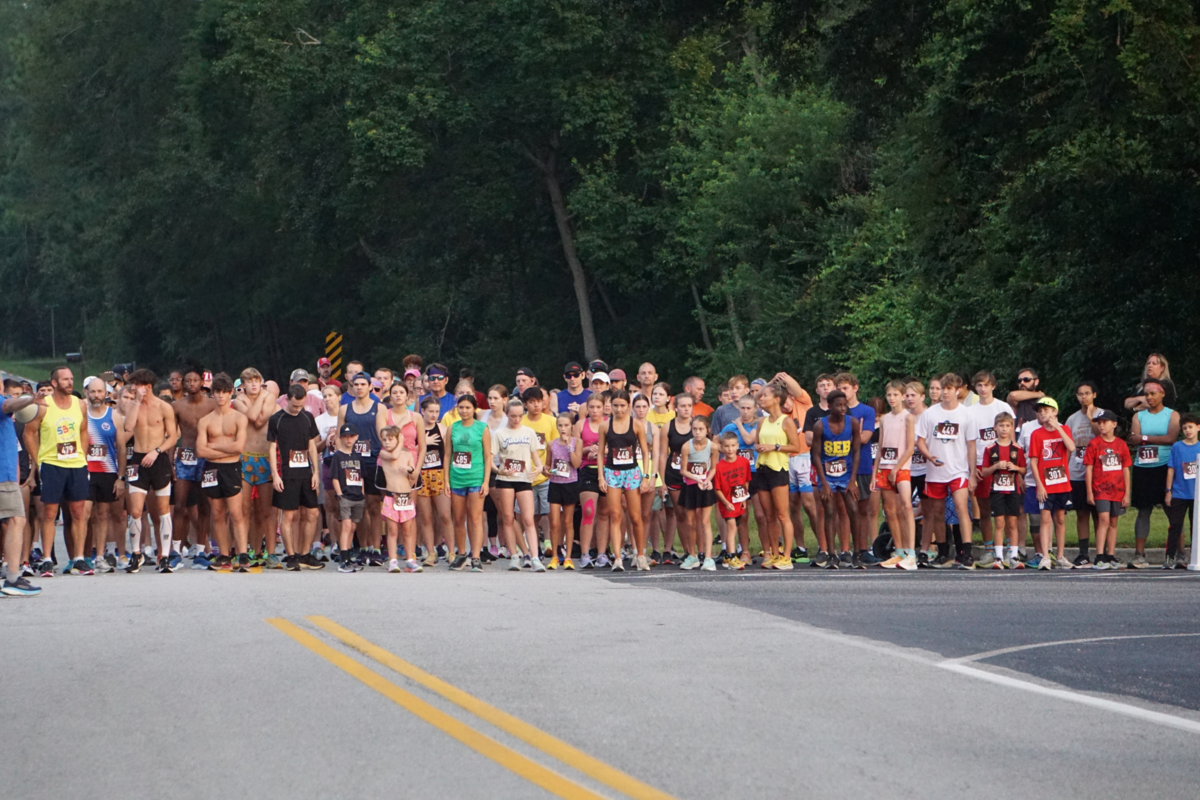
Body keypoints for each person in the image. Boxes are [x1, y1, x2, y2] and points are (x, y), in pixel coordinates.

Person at [914, 373, 976, 569]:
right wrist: (929, 456)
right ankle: (942, 551)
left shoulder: (966, 414)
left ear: (957, 390)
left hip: (958, 470)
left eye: (949, 389)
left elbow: (972, 445)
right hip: (935, 471)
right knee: (937, 511)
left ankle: (966, 552)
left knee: (961, 506)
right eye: (943, 389)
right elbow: (920, 440)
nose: (945, 393)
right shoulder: (930, 414)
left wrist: (972, 473)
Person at [121, 368, 179, 573]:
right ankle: (136, 553)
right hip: (137, 458)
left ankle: (164, 555)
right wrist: (136, 402)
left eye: (137, 385)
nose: (133, 388)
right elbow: (128, 427)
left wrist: (157, 451)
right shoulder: (132, 405)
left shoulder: (164, 407)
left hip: (158, 457)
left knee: (163, 510)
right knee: (135, 510)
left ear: (147, 386)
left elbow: (172, 436)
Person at [196, 373, 250, 570]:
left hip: (231, 467)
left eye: (224, 392)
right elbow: (200, 450)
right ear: (213, 394)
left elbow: (238, 447)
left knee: (236, 512)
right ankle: (224, 554)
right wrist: (221, 449)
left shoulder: (239, 418)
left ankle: (242, 553)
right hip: (212, 469)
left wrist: (215, 448)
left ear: (230, 394)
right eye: (217, 392)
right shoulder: (205, 421)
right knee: (217, 513)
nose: (221, 396)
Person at [268, 384, 323, 571]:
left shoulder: (307, 417)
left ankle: (305, 554)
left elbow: (312, 445)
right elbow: (271, 447)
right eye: (294, 406)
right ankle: (291, 555)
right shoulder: (277, 419)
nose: (298, 409)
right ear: (287, 399)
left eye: (301, 406)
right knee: (289, 515)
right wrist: (275, 475)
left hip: (305, 472)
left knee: (313, 512)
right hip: (286, 472)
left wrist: (316, 472)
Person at [597, 388, 651, 571]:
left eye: (622, 406)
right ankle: (618, 557)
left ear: (629, 406)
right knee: (615, 515)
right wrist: (600, 476)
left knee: (636, 516)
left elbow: (645, 451)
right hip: (612, 472)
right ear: (610, 406)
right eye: (615, 406)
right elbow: (600, 452)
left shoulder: (636, 425)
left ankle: (640, 555)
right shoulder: (605, 426)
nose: (619, 409)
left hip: (632, 472)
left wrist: (645, 476)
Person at [1127, 380, 1179, 567]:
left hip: (1165, 466)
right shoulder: (1139, 416)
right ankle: (1139, 554)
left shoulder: (1172, 415)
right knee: (1143, 511)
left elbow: (1171, 438)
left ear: (1163, 394)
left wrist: (1146, 438)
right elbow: (1134, 438)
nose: (1149, 397)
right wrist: (1142, 439)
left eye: (1153, 393)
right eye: (1146, 394)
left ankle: (1178, 553)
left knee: (1172, 510)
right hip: (1143, 467)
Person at [492, 398, 546, 572]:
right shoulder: (499, 433)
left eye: (519, 416)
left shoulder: (529, 432)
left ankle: (535, 557)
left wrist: (539, 468)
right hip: (506, 479)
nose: (516, 419)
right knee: (508, 517)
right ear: (507, 414)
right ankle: (514, 555)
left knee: (528, 519)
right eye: (513, 416)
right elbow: (491, 458)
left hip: (524, 479)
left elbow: (535, 455)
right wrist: (499, 471)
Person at [967, 371, 1014, 568]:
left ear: (993, 386)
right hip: (981, 463)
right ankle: (988, 550)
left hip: (1005, 463)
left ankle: (1012, 551)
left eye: (986, 385)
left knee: (1008, 511)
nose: (983, 389)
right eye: (979, 385)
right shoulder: (970, 410)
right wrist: (972, 469)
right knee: (985, 509)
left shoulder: (1003, 407)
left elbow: (1013, 436)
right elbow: (969, 442)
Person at [233, 368, 279, 565]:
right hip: (245, 458)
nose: (253, 384)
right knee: (243, 509)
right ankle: (246, 549)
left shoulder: (271, 401)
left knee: (267, 510)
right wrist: (262, 396)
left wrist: (262, 400)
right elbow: (254, 418)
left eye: (257, 381)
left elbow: (261, 422)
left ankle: (270, 551)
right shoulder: (238, 401)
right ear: (242, 385)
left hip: (265, 458)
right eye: (249, 381)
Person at [753, 384, 802, 570]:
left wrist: (776, 446)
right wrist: (760, 447)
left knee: (782, 514)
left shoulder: (786, 421)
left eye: (765, 395)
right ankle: (774, 553)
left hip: (778, 468)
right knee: (768, 515)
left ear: (776, 399)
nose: (762, 398)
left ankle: (787, 556)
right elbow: (758, 443)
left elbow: (796, 447)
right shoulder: (761, 422)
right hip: (763, 468)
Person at [173, 368, 217, 568]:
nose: (192, 384)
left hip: (206, 458)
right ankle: (175, 550)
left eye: (195, 380)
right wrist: (170, 462)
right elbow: (172, 435)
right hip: (184, 457)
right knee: (180, 505)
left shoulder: (212, 404)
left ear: (202, 382)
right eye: (188, 380)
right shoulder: (177, 406)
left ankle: (201, 550)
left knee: (205, 505)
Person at [339, 373, 384, 565]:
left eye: (363, 384)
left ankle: (376, 548)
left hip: (372, 460)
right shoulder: (345, 409)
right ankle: (363, 547)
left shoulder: (379, 407)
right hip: (352, 462)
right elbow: (339, 438)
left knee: (374, 506)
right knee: (358, 506)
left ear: (370, 387)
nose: (359, 388)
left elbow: (383, 435)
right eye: (355, 384)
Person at [84, 376, 128, 572]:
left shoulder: (114, 416)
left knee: (102, 515)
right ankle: (82, 556)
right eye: (92, 391)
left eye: (100, 391)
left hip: (107, 470)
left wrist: (120, 477)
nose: (96, 395)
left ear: (106, 393)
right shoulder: (82, 414)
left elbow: (121, 448)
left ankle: (100, 556)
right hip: (84, 471)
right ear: (86, 393)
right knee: (83, 514)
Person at [812, 389, 860, 569]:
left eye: (844, 405)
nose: (842, 408)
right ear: (829, 406)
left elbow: (856, 452)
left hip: (846, 474)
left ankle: (856, 553)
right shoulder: (820, 426)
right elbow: (816, 456)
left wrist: (852, 480)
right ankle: (832, 555)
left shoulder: (853, 423)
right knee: (830, 512)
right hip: (827, 475)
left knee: (853, 510)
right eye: (838, 405)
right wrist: (823, 483)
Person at [445, 393, 492, 572]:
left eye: (467, 407)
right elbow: (448, 455)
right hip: (457, 478)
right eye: (461, 407)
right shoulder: (452, 428)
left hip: (475, 477)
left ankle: (476, 556)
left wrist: (485, 481)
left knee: (475, 518)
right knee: (458, 518)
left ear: (474, 409)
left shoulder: (482, 428)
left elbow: (488, 456)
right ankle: (461, 554)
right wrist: (446, 480)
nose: (464, 411)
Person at [835, 373, 878, 566]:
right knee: (844, 510)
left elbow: (865, 438)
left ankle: (862, 548)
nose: (842, 392)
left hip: (861, 466)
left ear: (855, 388)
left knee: (863, 509)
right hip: (840, 467)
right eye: (839, 388)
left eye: (845, 388)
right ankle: (846, 549)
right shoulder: (836, 412)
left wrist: (848, 437)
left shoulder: (866, 411)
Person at [1029, 397, 1076, 570]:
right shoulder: (1036, 434)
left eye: (1046, 410)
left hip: (1061, 483)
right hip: (1045, 484)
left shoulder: (1064, 429)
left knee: (1060, 519)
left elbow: (1071, 447)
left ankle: (1060, 555)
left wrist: (1057, 427)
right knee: (1045, 518)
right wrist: (1039, 484)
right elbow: (1033, 461)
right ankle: (1045, 556)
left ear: (1055, 412)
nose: (1043, 413)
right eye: (1040, 411)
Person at [2, 389, 40, 595]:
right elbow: (7, 406)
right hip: (2, 476)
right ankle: (13, 579)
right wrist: (30, 399)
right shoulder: (2, 403)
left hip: (6, 474)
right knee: (17, 520)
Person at [875, 380, 916, 570]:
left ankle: (911, 552)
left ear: (902, 397)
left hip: (901, 468)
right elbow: (881, 446)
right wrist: (877, 472)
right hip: (884, 466)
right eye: (889, 395)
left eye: (895, 395)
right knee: (890, 511)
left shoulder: (908, 417)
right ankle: (898, 551)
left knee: (906, 507)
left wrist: (895, 469)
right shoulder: (884, 419)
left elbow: (910, 447)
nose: (892, 398)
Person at [1084, 410, 1132, 570]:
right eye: (1099, 422)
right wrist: (1090, 491)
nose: (1101, 425)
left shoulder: (1121, 444)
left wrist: (1127, 493)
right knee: (1103, 519)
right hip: (1100, 488)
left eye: (1105, 422)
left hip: (1117, 489)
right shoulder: (1094, 444)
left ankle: (1110, 554)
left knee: (1113, 521)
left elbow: (1125, 469)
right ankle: (1099, 555)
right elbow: (1089, 468)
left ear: (1114, 424)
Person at [979, 412, 1027, 569]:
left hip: (1012, 490)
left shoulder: (1017, 449)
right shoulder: (990, 448)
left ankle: (1013, 555)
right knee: (999, 521)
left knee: (1012, 522)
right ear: (995, 427)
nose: (1004, 429)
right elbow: (984, 471)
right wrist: (995, 467)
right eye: (1001, 425)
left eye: (1007, 425)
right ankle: (998, 556)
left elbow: (1024, 469)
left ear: (1012, 427)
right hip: (997, 490)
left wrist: (1016, 468)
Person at [1065, 381, 1102, 567]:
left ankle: (1101, 551)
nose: (1084, 397)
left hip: (1098, 472)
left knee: (1099, 513)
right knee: (1081, 513)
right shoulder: (1071, 419)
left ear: (1094, 394)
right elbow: (1067, 446)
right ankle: (1083, 552)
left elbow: (1102, 436)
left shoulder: (1102, 416)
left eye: (1087, 393)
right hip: (1077, 470)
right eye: (1080, 394)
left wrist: (1090, 417)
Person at [377, 425, 421, 573]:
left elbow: (413, 474)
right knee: (392, 530)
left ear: (397, 438)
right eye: (384, 439)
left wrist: (410, 470)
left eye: (390, 439)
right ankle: (393, 560)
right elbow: (394, 456)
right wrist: (401, 442)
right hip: (392, 496)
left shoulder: (407, 454)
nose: (387, 442)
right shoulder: (384, 454)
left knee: (408, 530)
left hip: (405, 497)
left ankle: (410, 560)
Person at [657, 393, 694, 567]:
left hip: (694, 474)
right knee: (680, 513)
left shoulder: (698, 425)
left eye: (689, 405)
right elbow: (663, 455)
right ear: (675, 407)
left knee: (694, 515)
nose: (686, 409)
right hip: (674, 473)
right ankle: (688, 551)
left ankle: (698, 550)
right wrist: (661, 480)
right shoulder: (668, 427)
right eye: (683, 405)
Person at [677, 415, 718, 570]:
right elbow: (682, 470)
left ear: (707, 430)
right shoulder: (686, 446)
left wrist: (708, 480)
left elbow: (713, 467)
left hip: (705, 486)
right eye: (694, 429)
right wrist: (697, 478)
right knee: (690, 522)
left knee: (705, 522)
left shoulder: (712, 446)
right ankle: (692, 555)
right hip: (690, 486)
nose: (697, 432)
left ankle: (708, 557)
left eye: (701, 429)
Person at [804, 374, 836, 566]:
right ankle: (823, 548)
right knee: (821, 508)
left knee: (840, 508)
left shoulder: (842, 409)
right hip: (818, 462)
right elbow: (808, 439)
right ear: (817, 390)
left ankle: (841, 550)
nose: (825, 388)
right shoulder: (812, 412)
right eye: (821, 385)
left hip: (840, 463)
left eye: (828, 385)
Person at [415, 397, 450, 568]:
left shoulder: (443, 429)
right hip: (421, 475)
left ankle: (452, 551)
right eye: (430, 411)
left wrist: (447, 477)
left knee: (444, 514)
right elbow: (406, 449)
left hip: (439, 473)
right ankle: (430, 552)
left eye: (436, 412)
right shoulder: (415, 429)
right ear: (423, 411)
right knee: (426, 517)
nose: (434, 415)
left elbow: (448, 455)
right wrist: (423, 443)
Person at [522, 386, 556, 555]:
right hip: (525, 476)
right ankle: (532, 543)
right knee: (530, 515)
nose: (536, 405)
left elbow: (556, 448)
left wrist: (548, 468)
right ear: (525, 404)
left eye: (539, 401)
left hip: (546, 475)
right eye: (532, 402)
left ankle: (550, 542)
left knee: (549, 512)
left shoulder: (551, 421)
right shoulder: (520, 421)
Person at [545, 412, 581, 569]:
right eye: (560, 425)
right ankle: (554, 555)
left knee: (568, 521)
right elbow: (547, 465)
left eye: (566, 425)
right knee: (554, 521)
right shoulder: (551, 444)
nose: (563, 428)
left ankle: (568, 557)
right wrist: (546, 470)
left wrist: (569, 447)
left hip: (570, 483)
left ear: (572, 426)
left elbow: (576, 463)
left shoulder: (577, 442)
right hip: (555, 483)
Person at [575, 394, 608, 568]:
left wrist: (604, 451)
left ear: (603, 407)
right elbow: (573, 451)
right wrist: (588, 449)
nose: (594, 411)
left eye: (598, 407)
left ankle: (602, 553)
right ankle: (585, 553)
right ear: (587, 408)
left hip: (607, 471)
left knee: (604, 514)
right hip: (587, 470)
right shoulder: (581, 425)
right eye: (591, 407)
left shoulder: (609, 424)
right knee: (588, 511)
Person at [1164, 413, 1199, 568]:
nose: (1188, 430)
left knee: (1196, 527)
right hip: (1179, 492)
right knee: (1175, 525)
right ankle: (1170, 557)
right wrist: (1168, 490)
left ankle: (1194, 556)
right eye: (1184, 428)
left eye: (1190, 427)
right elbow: (1171, 469)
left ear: (1198, 427)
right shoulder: (1177, 447)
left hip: (1196, 494)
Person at [712, 432, 751, 570]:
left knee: (736, 527)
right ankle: (732, 555)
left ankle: (729, 556)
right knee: (731, 526)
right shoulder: (719, 467)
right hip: (726, 502)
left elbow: (746, 481)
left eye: (733, 446)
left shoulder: (744, 462)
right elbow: (717, 489)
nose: (730, 449)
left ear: (737, 446)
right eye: (727, 446)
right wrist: (726, 502)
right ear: (721, 447)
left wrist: (744, 498)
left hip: (739, 500)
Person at [330, 424, 366, 572]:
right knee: (345, 525)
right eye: (345, 436)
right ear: (341, 438)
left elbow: (361, 476)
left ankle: (349, 554)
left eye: (351, 436)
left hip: (357, 495)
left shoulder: (357, 456)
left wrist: (362, 493)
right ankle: (343, 559)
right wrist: (339, 494)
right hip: (345, 495)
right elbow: (335, 477)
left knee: (352, 526)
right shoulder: (338, 456)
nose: (348, 439)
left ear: (356, 437)